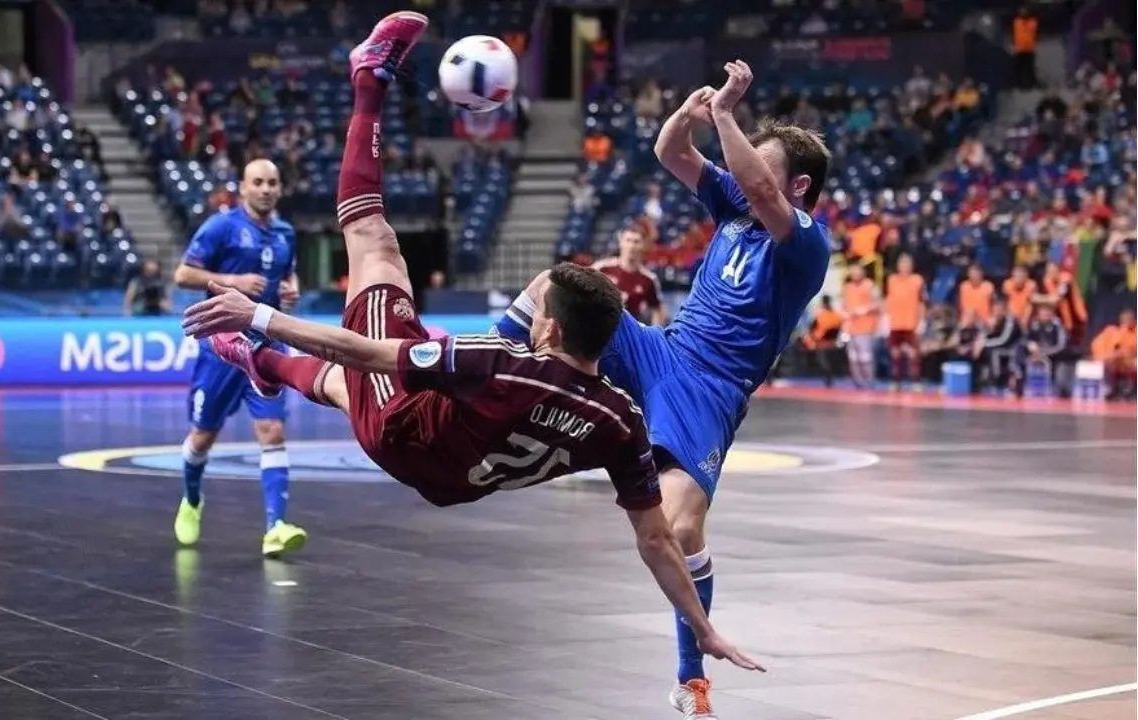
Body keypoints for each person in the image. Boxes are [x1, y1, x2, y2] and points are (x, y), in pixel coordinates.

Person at [179, 10, 763, 677]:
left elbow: (367, 351)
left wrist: (256, 316)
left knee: (374, 243)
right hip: (450, 482)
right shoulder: (622, 420)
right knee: (348, 388)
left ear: (551, 330)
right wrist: (702, 629)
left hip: (406, 428)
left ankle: (367, 78)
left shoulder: (503, 364)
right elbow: (657, 539)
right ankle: (259, 365)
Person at [499, 60, 830, 718]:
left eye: (755, 168)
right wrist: (696, 108)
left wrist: (729, 117)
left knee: (677, 528)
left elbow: (762, 192)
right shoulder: (735, 207)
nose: (741, 178)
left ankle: (691, 678)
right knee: (555, 285)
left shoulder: (807, 243)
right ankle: (475, 370)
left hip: (709, 388)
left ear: (797, 184)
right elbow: (669, 151)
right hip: (663, 349)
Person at [171, 158, 305, 558]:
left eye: (272, 183)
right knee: (202, 438)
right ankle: (192, 498)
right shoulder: (221, 226)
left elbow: (288, 276)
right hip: (223, 347)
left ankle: (276, 526)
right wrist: (234, 282)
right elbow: (183, 274)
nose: (266, 189)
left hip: (267, 341)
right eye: (258, 182)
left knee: (273, 432)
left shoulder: (285, 233)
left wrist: (291, 291)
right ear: (243, 188)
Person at [593, 225, 669, 325]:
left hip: (629, 332)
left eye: (636, 242)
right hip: (601, 327)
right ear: (621, 243)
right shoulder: (602, 268)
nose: (631, 246)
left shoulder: (649, 279)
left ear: (643, 245)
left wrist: (653, 333)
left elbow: (658, 309)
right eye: (628, 240)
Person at [884, 254, 926, 391]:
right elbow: (888, 299)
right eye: (902, 263)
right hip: (895, 322)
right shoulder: (892, 280)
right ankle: (896, 382)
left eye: (907, 264)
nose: (904, 266)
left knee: (913, 354)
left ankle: (915, 382)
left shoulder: (917, 280)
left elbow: (922, 302)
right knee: (895, 354)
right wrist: (885, 319)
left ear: (911, 266)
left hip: (911, 322)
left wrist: (922, 321)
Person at [841, 262, 880, 388]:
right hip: (850, 328)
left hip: (865, 328)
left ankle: (869, 382)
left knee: (865, 357)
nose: (855, 274)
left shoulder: (870, 285)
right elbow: (844, 306)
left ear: (862, 272)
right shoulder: (847, 287)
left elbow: (878, 304)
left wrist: (864, 309)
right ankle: (857, 383)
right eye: (852, 271)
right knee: (853, 357)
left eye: (857, 271)